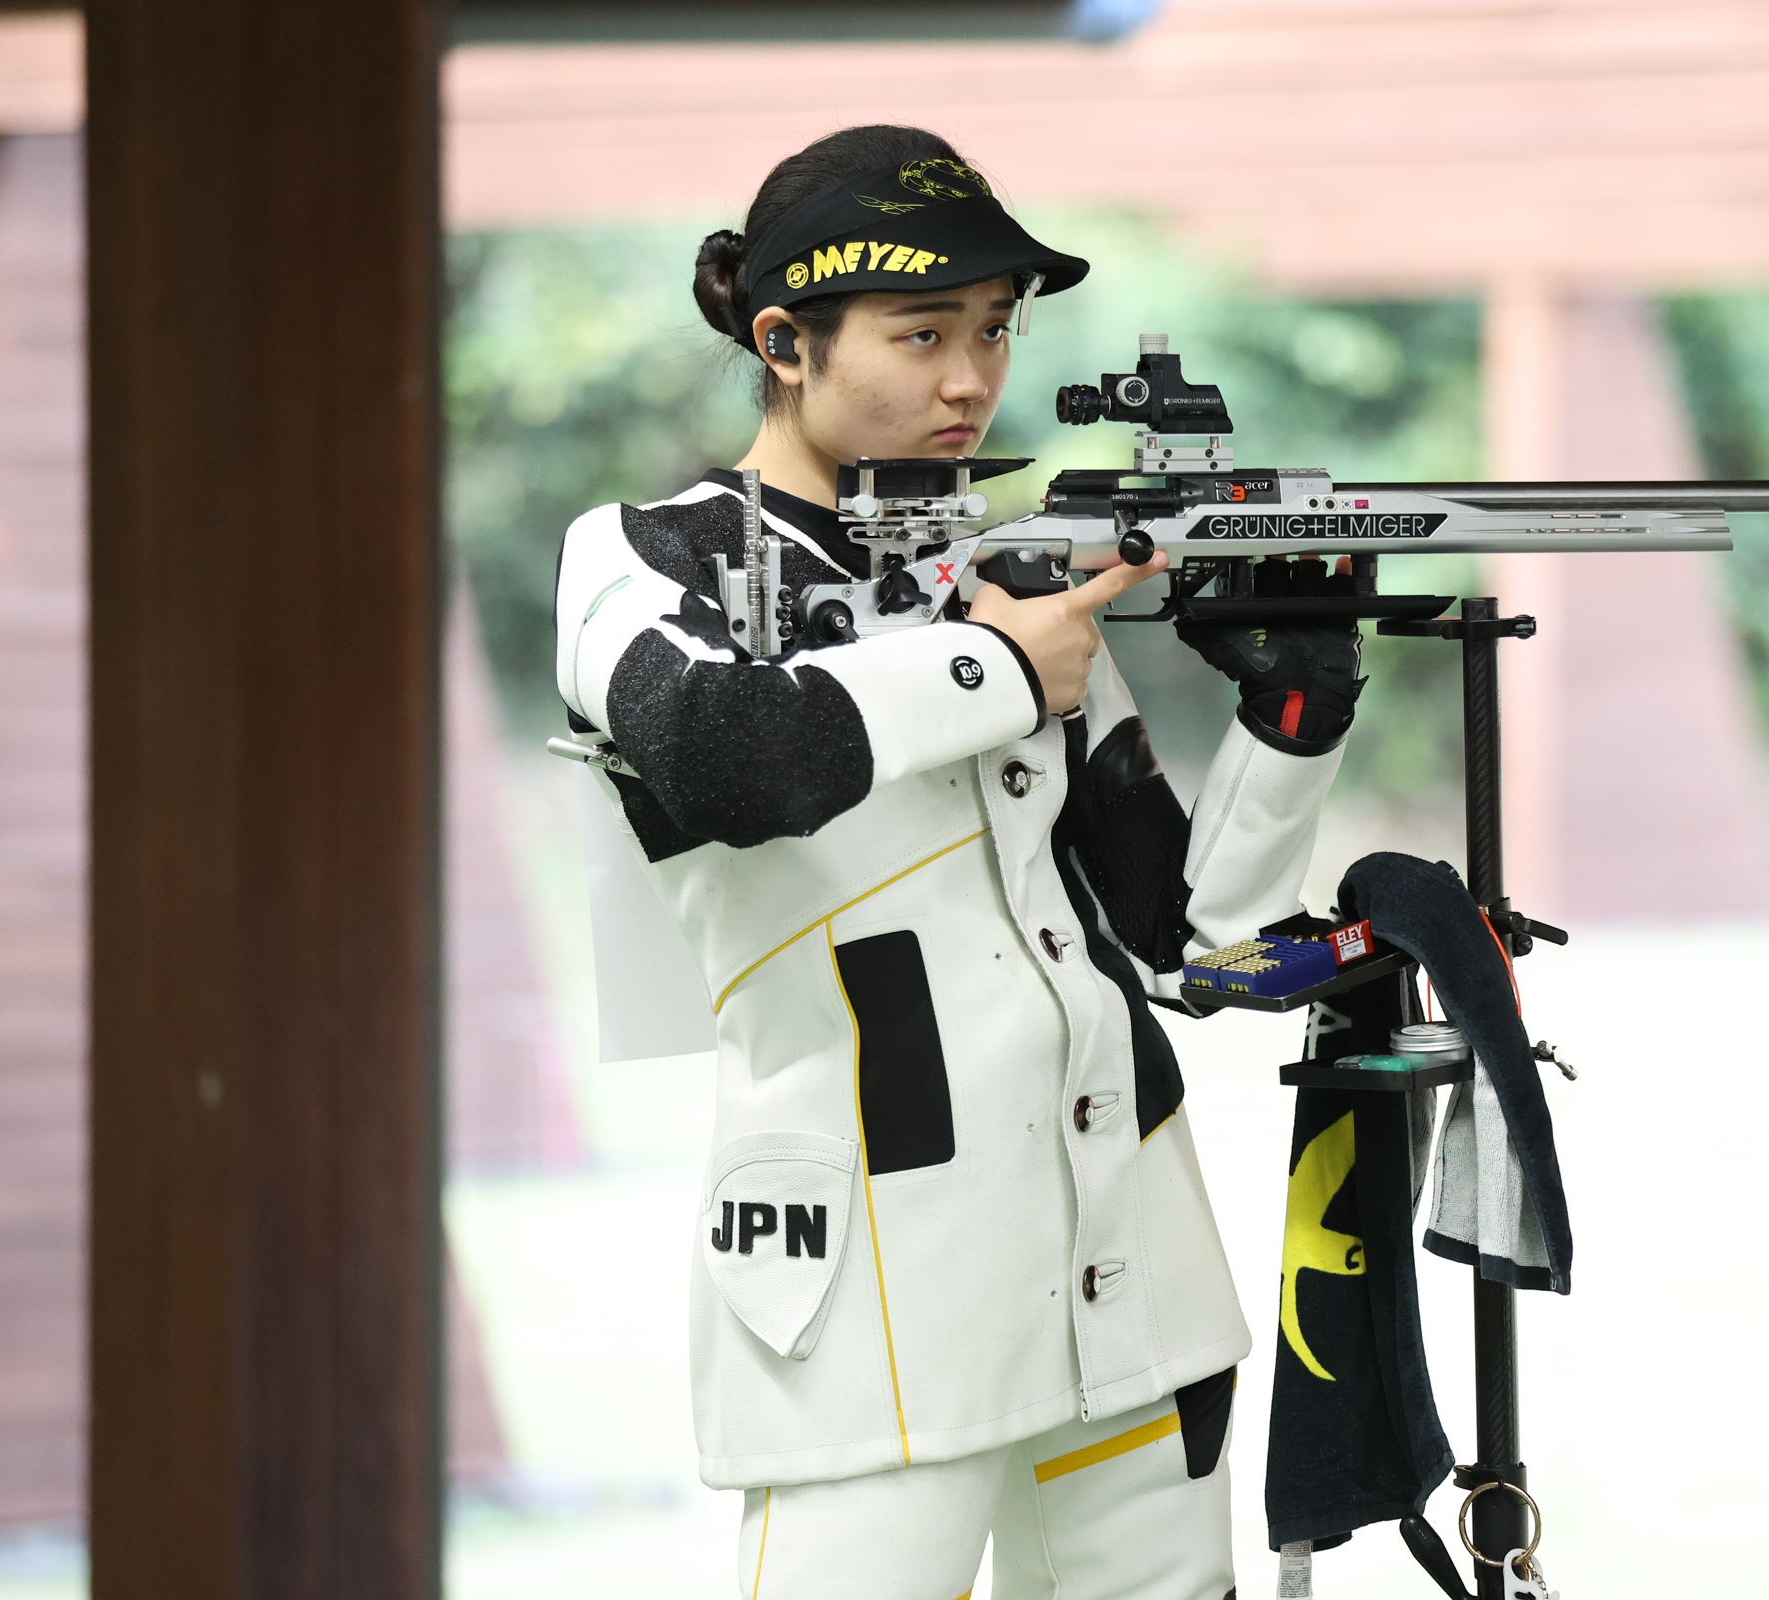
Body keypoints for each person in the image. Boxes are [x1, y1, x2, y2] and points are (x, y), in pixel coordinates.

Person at [550, 125, 1364, 1600]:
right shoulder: (642, 555)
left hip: (1133, 1266)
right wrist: (997, 664)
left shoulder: (1008, 577)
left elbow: (1190, 941)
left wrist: (1293, 718)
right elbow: (729, 756)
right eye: (922, 333)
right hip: (871, 1284)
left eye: (993, 330)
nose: (970, 381)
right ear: (783, 341)